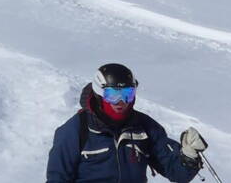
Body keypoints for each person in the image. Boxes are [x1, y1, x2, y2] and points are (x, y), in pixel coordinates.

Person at [46, 63, 209, 183]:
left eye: (127, 94)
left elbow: (176, 173)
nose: (121, 101)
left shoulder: (145, 127)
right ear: (99, 94)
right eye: (112, 94)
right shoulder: (75, 130)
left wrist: (189, 156)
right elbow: (57, 179)